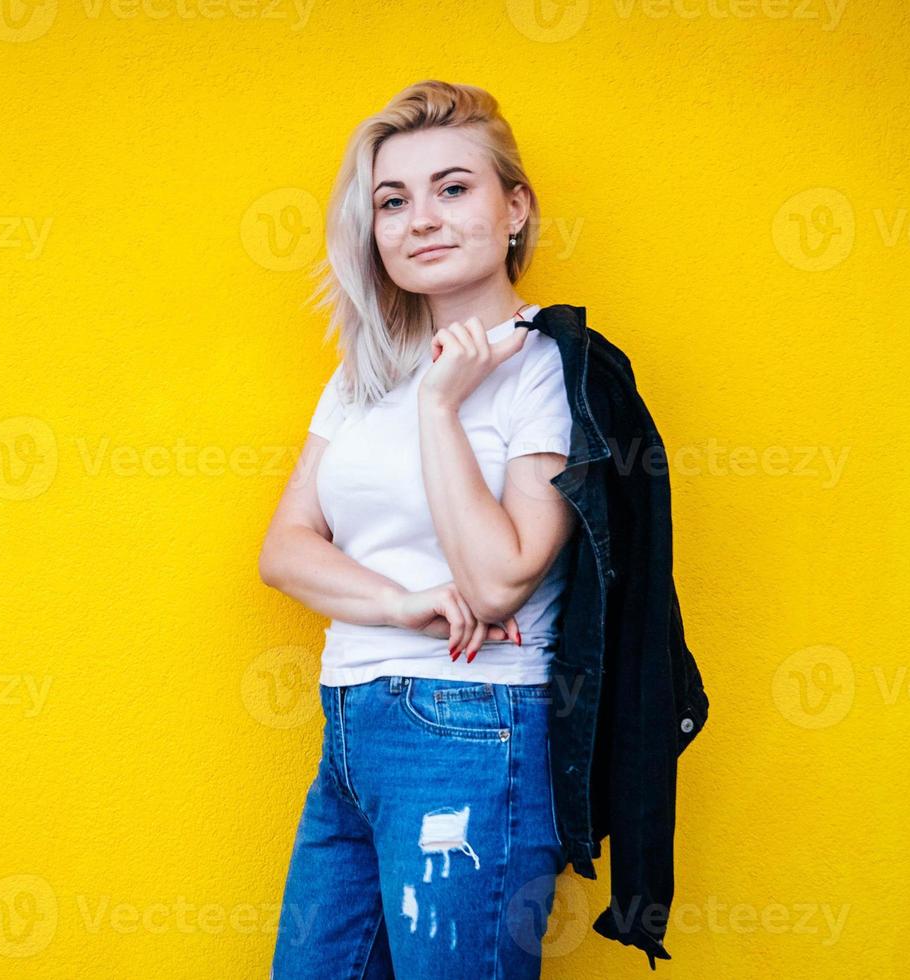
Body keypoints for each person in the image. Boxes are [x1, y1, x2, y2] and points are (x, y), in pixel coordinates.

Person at [258, 79, 578, 978]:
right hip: (353, 724)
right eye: (392, 201)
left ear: (514, 207)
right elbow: (284, 549)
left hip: (474, 725)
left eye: (453, 188)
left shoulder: (547, 368)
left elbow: (498, 580)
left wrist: (442, 406)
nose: (419, 219)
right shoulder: (363, 375)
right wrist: (401, 603)